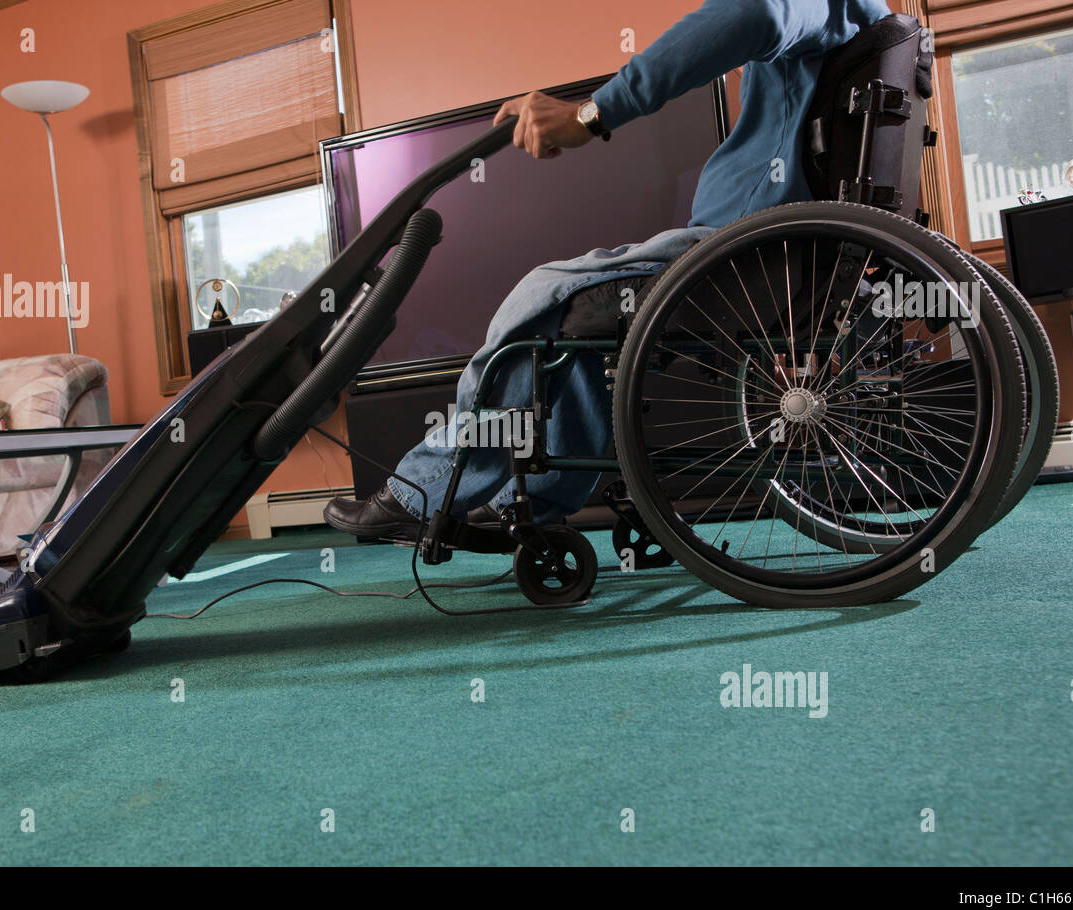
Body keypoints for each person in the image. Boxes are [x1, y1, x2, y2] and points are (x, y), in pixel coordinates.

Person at [325, 0, 892, 538]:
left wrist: (589, 114)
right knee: (583, 323)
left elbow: (753, 12)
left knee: (544, 292)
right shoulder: (867, 14)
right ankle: (532, 504)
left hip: (742, 252)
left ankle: (424, 490)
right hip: (775, 252)